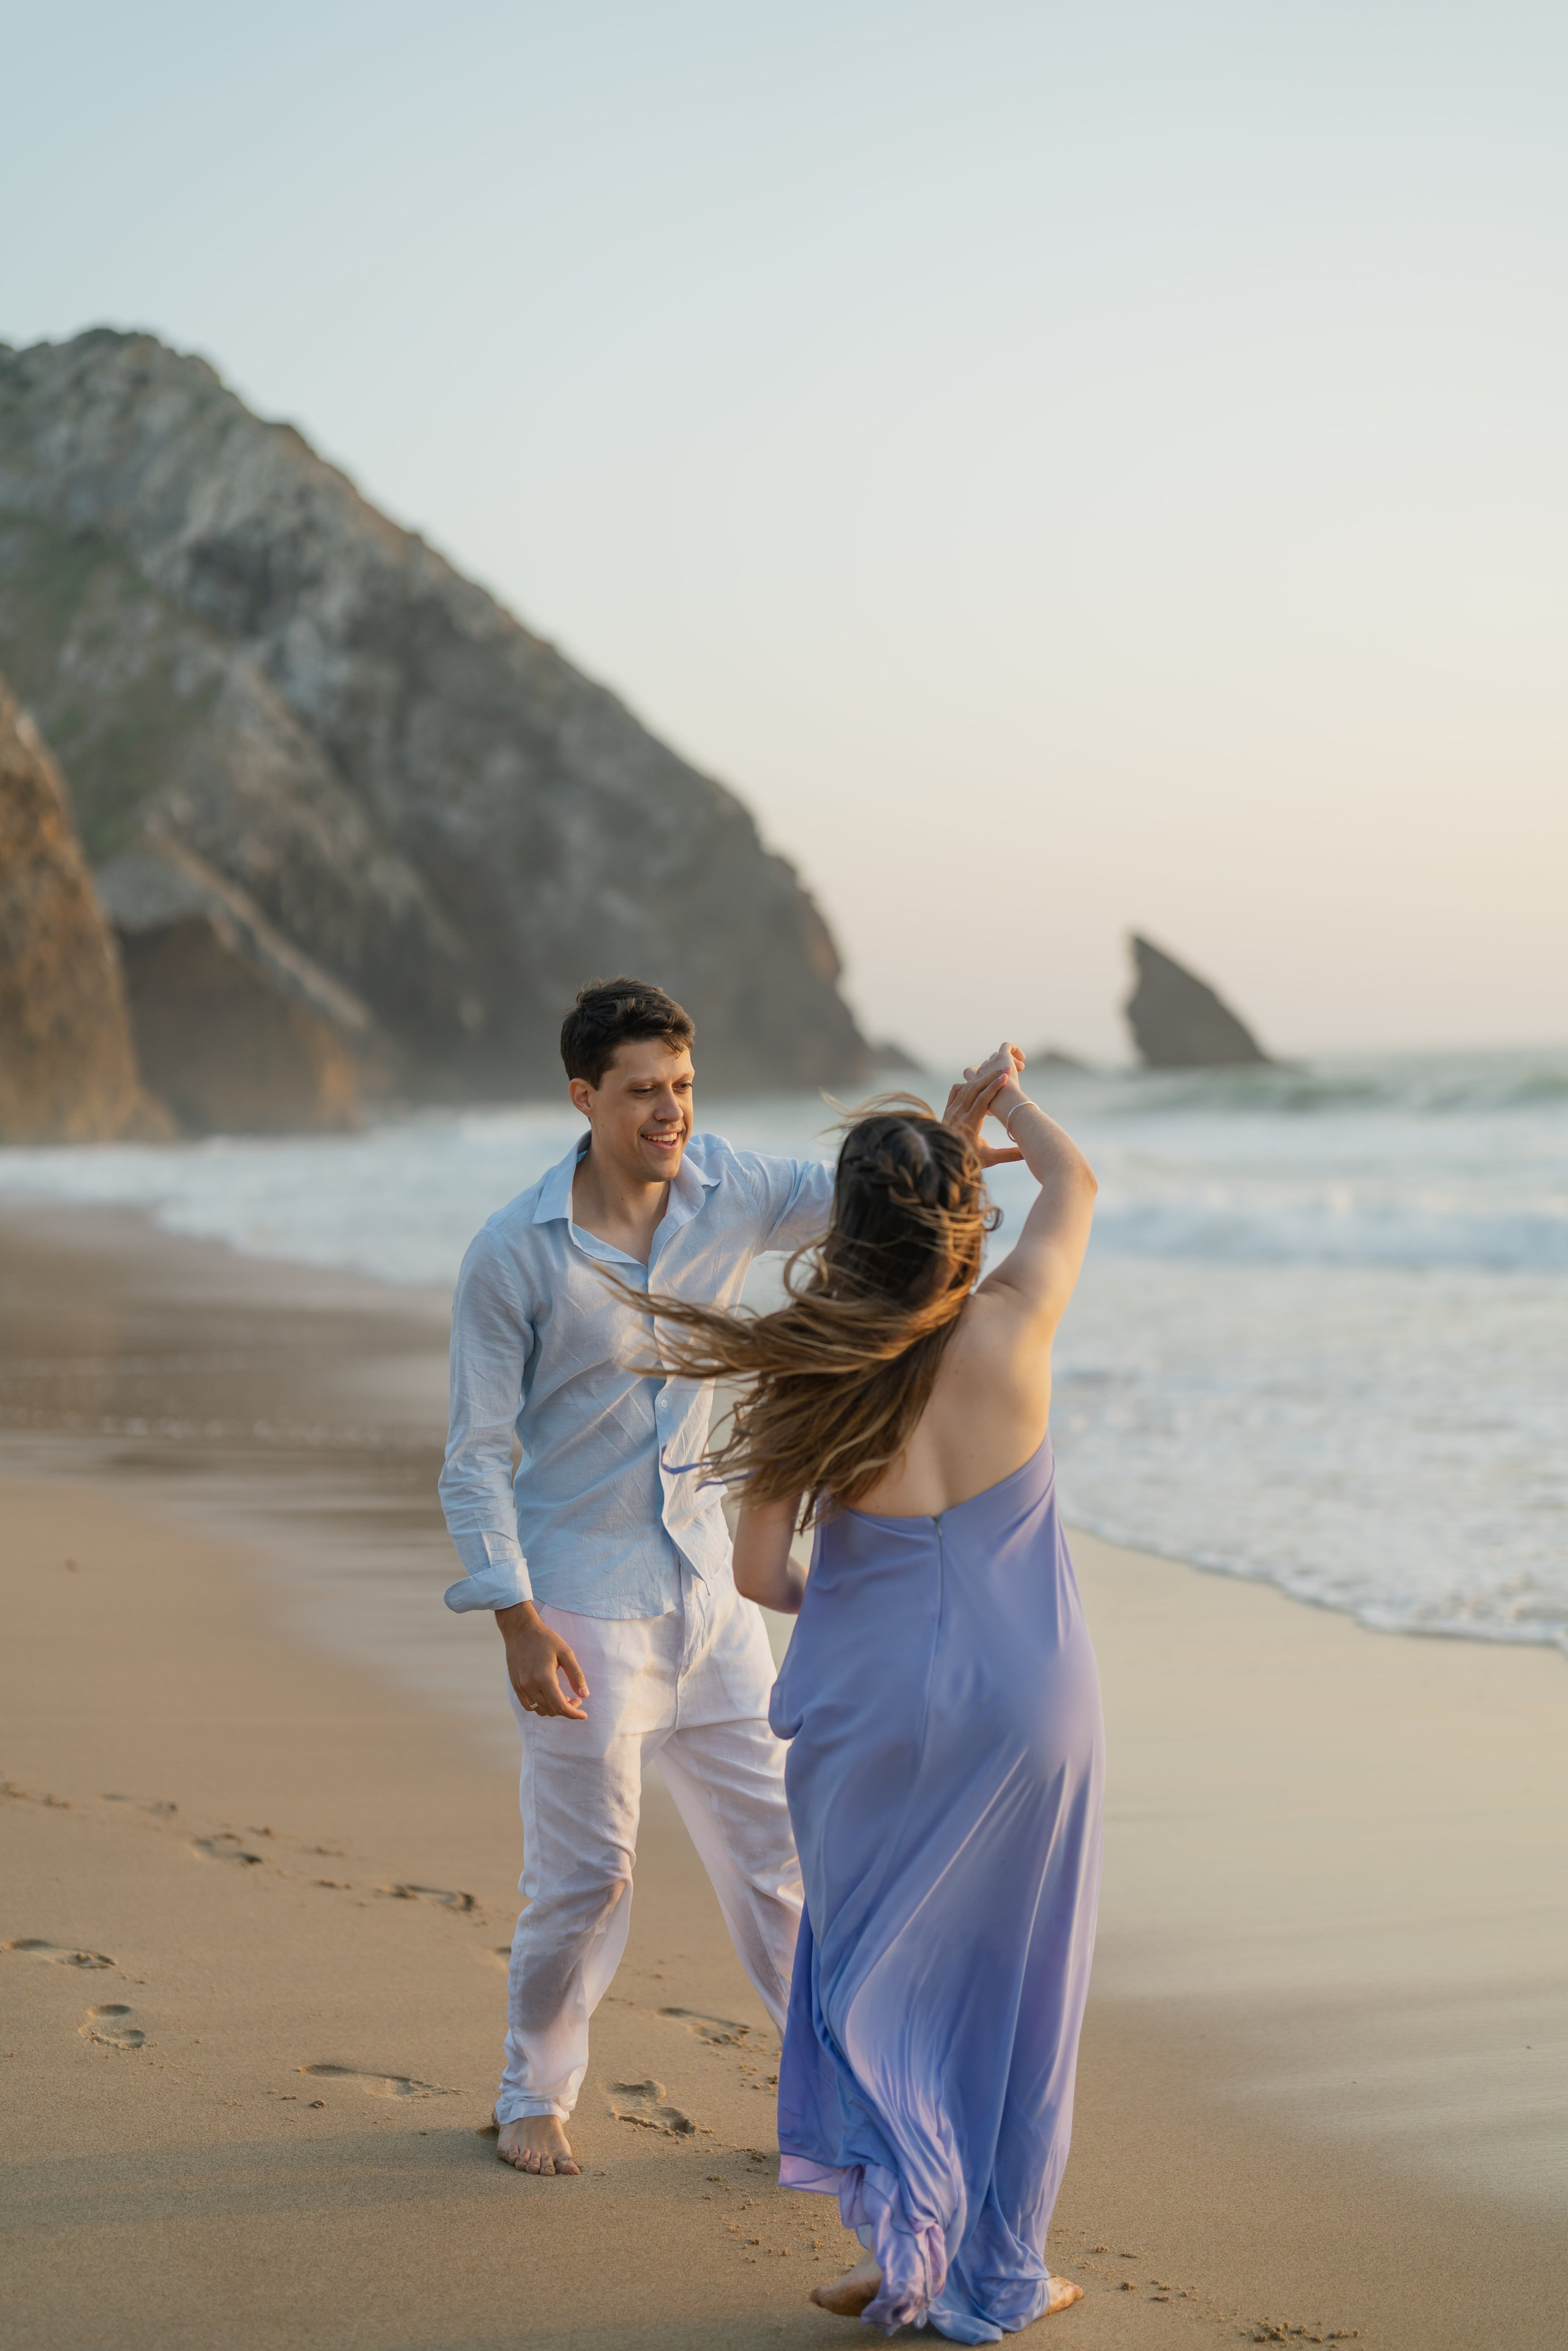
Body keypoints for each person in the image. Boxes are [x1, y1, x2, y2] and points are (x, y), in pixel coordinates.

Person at [638, 1043, 1102, 2338]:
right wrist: (994, 1106)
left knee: (859, 1964)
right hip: (1031, 1704)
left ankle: (903, 2233)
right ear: (965, 1217)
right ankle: (991, 2270)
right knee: (1017, 1989)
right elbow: (1077, 1176)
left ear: (846, 1232)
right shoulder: (1015, 1318)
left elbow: (759, 1572)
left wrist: (865, 1601)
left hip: (870, 1705)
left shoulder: (809, 1363)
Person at [437, 976, 851, 2176]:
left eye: (680, 1084)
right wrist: (513, 1619)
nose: (669, 1110)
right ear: (583, 1096)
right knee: (587, 1875)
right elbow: (471, 1457)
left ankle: (833, 2100)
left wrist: (951, 1130)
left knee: (779, 1860)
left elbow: (866, 1201)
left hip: (715, 1599)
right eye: (641, 1091)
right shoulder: (514, 1253)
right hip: (578, 1603)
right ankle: (532, 2087)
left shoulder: (731, 1186)